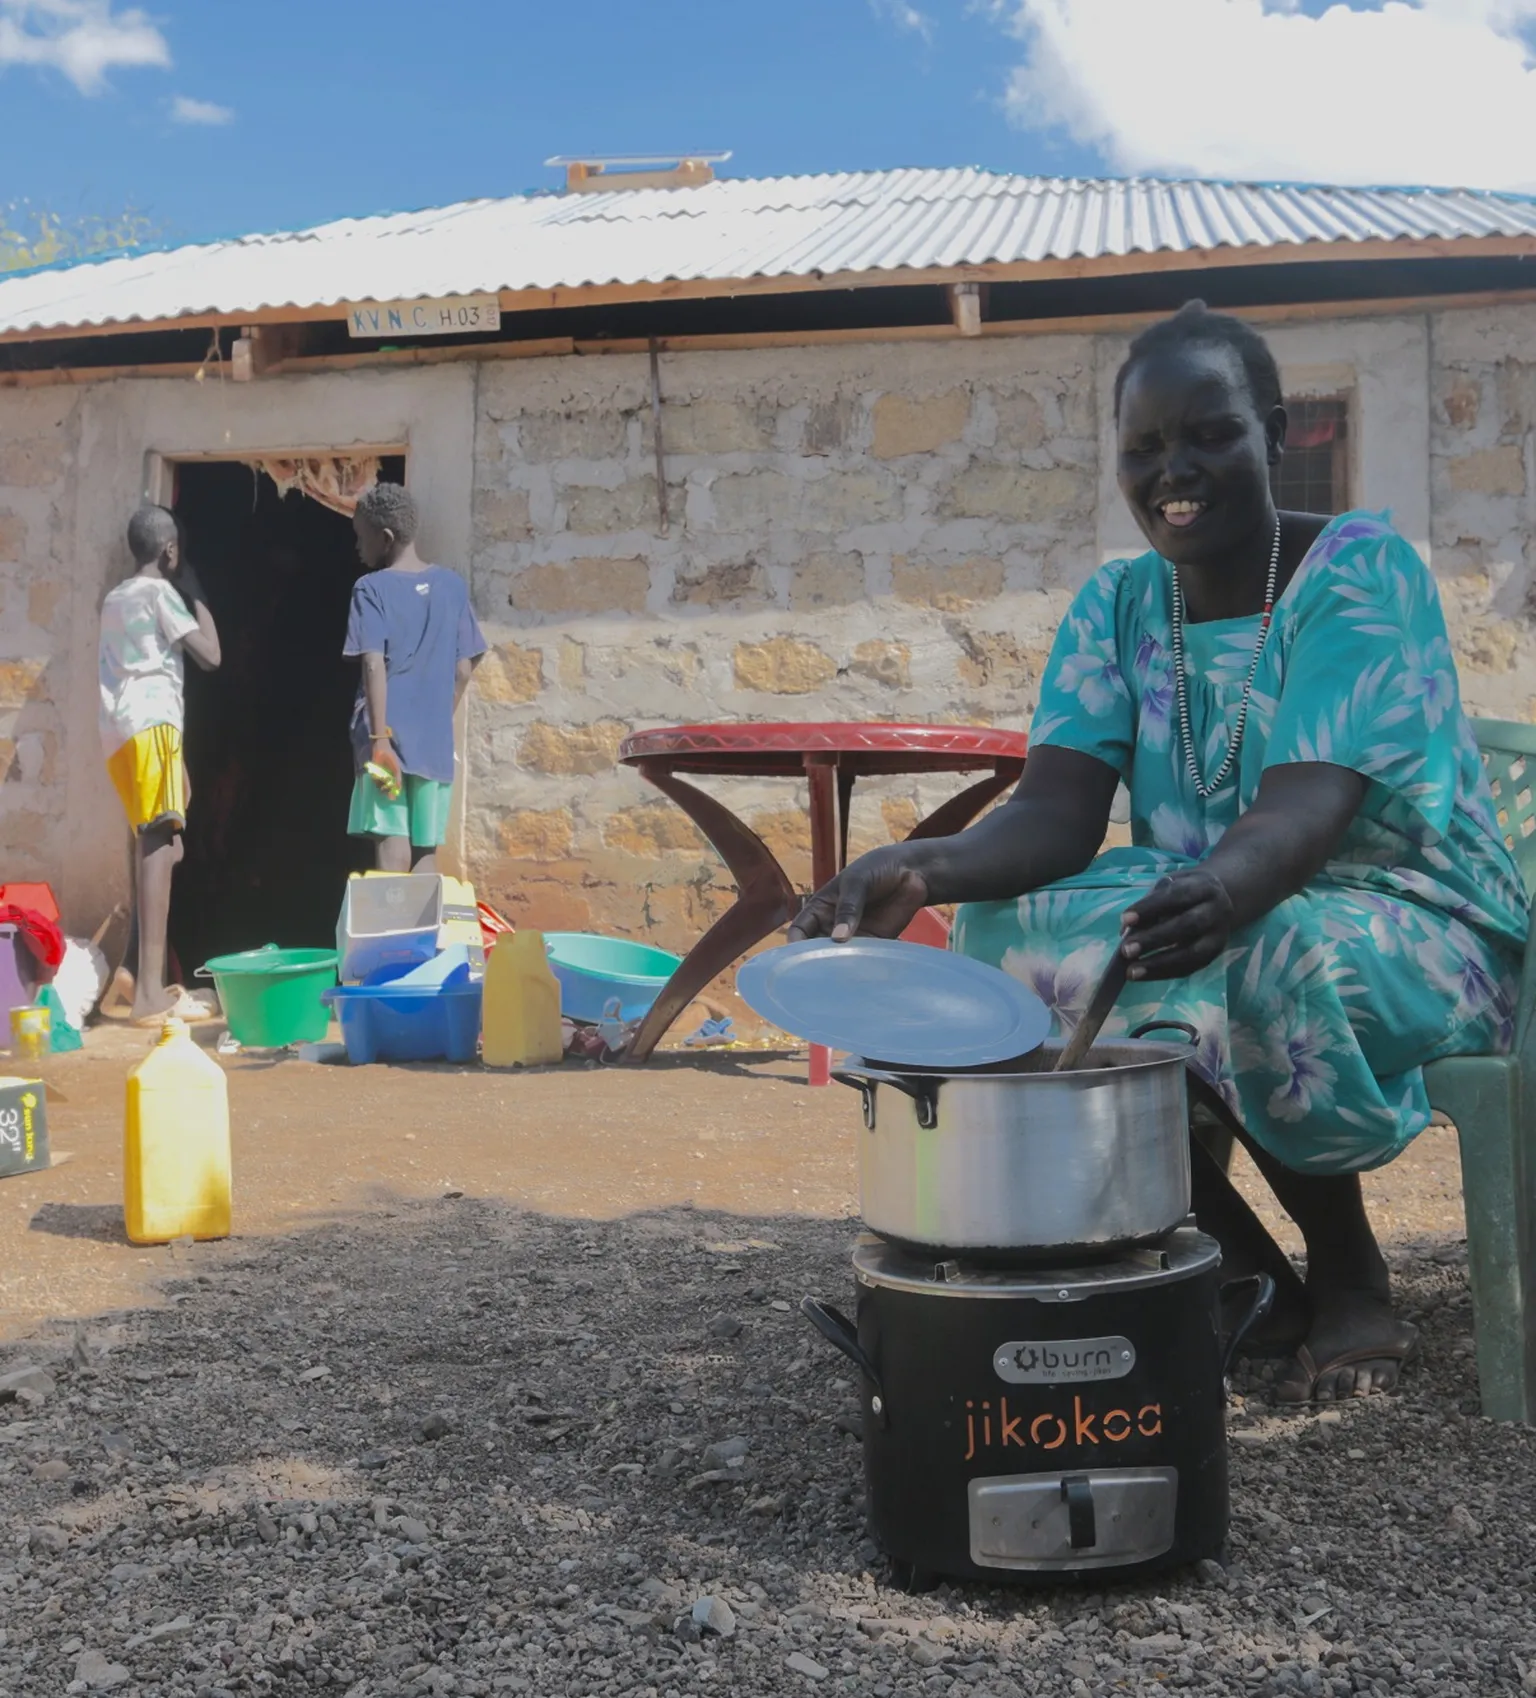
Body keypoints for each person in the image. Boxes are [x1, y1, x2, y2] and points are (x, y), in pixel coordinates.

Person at [791, 301, 1530, 1405]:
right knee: (1009, 939)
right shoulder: (1119, 602)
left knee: (1248, 941)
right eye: (1143, 448)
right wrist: (921, 867)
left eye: (1209, 435)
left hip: (1410, 917)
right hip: (1206, 903)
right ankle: (1238, 1265)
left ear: (1276, 434)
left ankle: (1349, 1269)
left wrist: (1228, 887)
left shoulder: (1364, 572)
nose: (1172, 470)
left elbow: (1305, 812)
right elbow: (1056, 815)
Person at [98, 504, 222, 1024]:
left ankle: (131, 973)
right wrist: (198, 593)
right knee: (159, 847)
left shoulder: (115, 598)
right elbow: (211, 655)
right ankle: (151, 993)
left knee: (163, 842)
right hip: (153, 729)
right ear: (170, 551)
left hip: (123, 735)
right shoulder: (162, 594)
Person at [345, 483, 485, 875]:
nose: (357, 548)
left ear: (385, 538)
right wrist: (439, 716)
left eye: (361, 537)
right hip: (434, 739)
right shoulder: (452, 587)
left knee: (392, 840)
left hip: (386, 735)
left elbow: (373, 664)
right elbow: (463, 668)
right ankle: (424, 937)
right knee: (426, 848)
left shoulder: (369, 589)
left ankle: (394, 937)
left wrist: (380, 740)